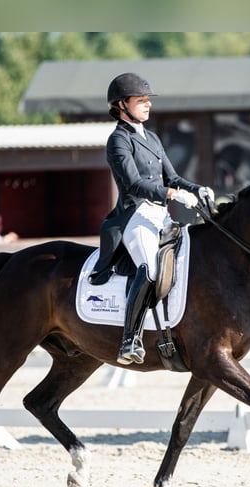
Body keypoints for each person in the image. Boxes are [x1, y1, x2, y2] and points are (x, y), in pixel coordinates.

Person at [89, 72, 215, 366]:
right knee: (150, 267)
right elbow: (133, 184)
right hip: (134, 215)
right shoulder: (118, 140)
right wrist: (172, 194)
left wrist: (196, 189)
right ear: (121, 105)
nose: (147, 105)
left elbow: (173, 177)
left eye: (148, 100)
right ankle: (129, 339)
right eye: (141, 100)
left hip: (160, 215)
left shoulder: (152, 137)